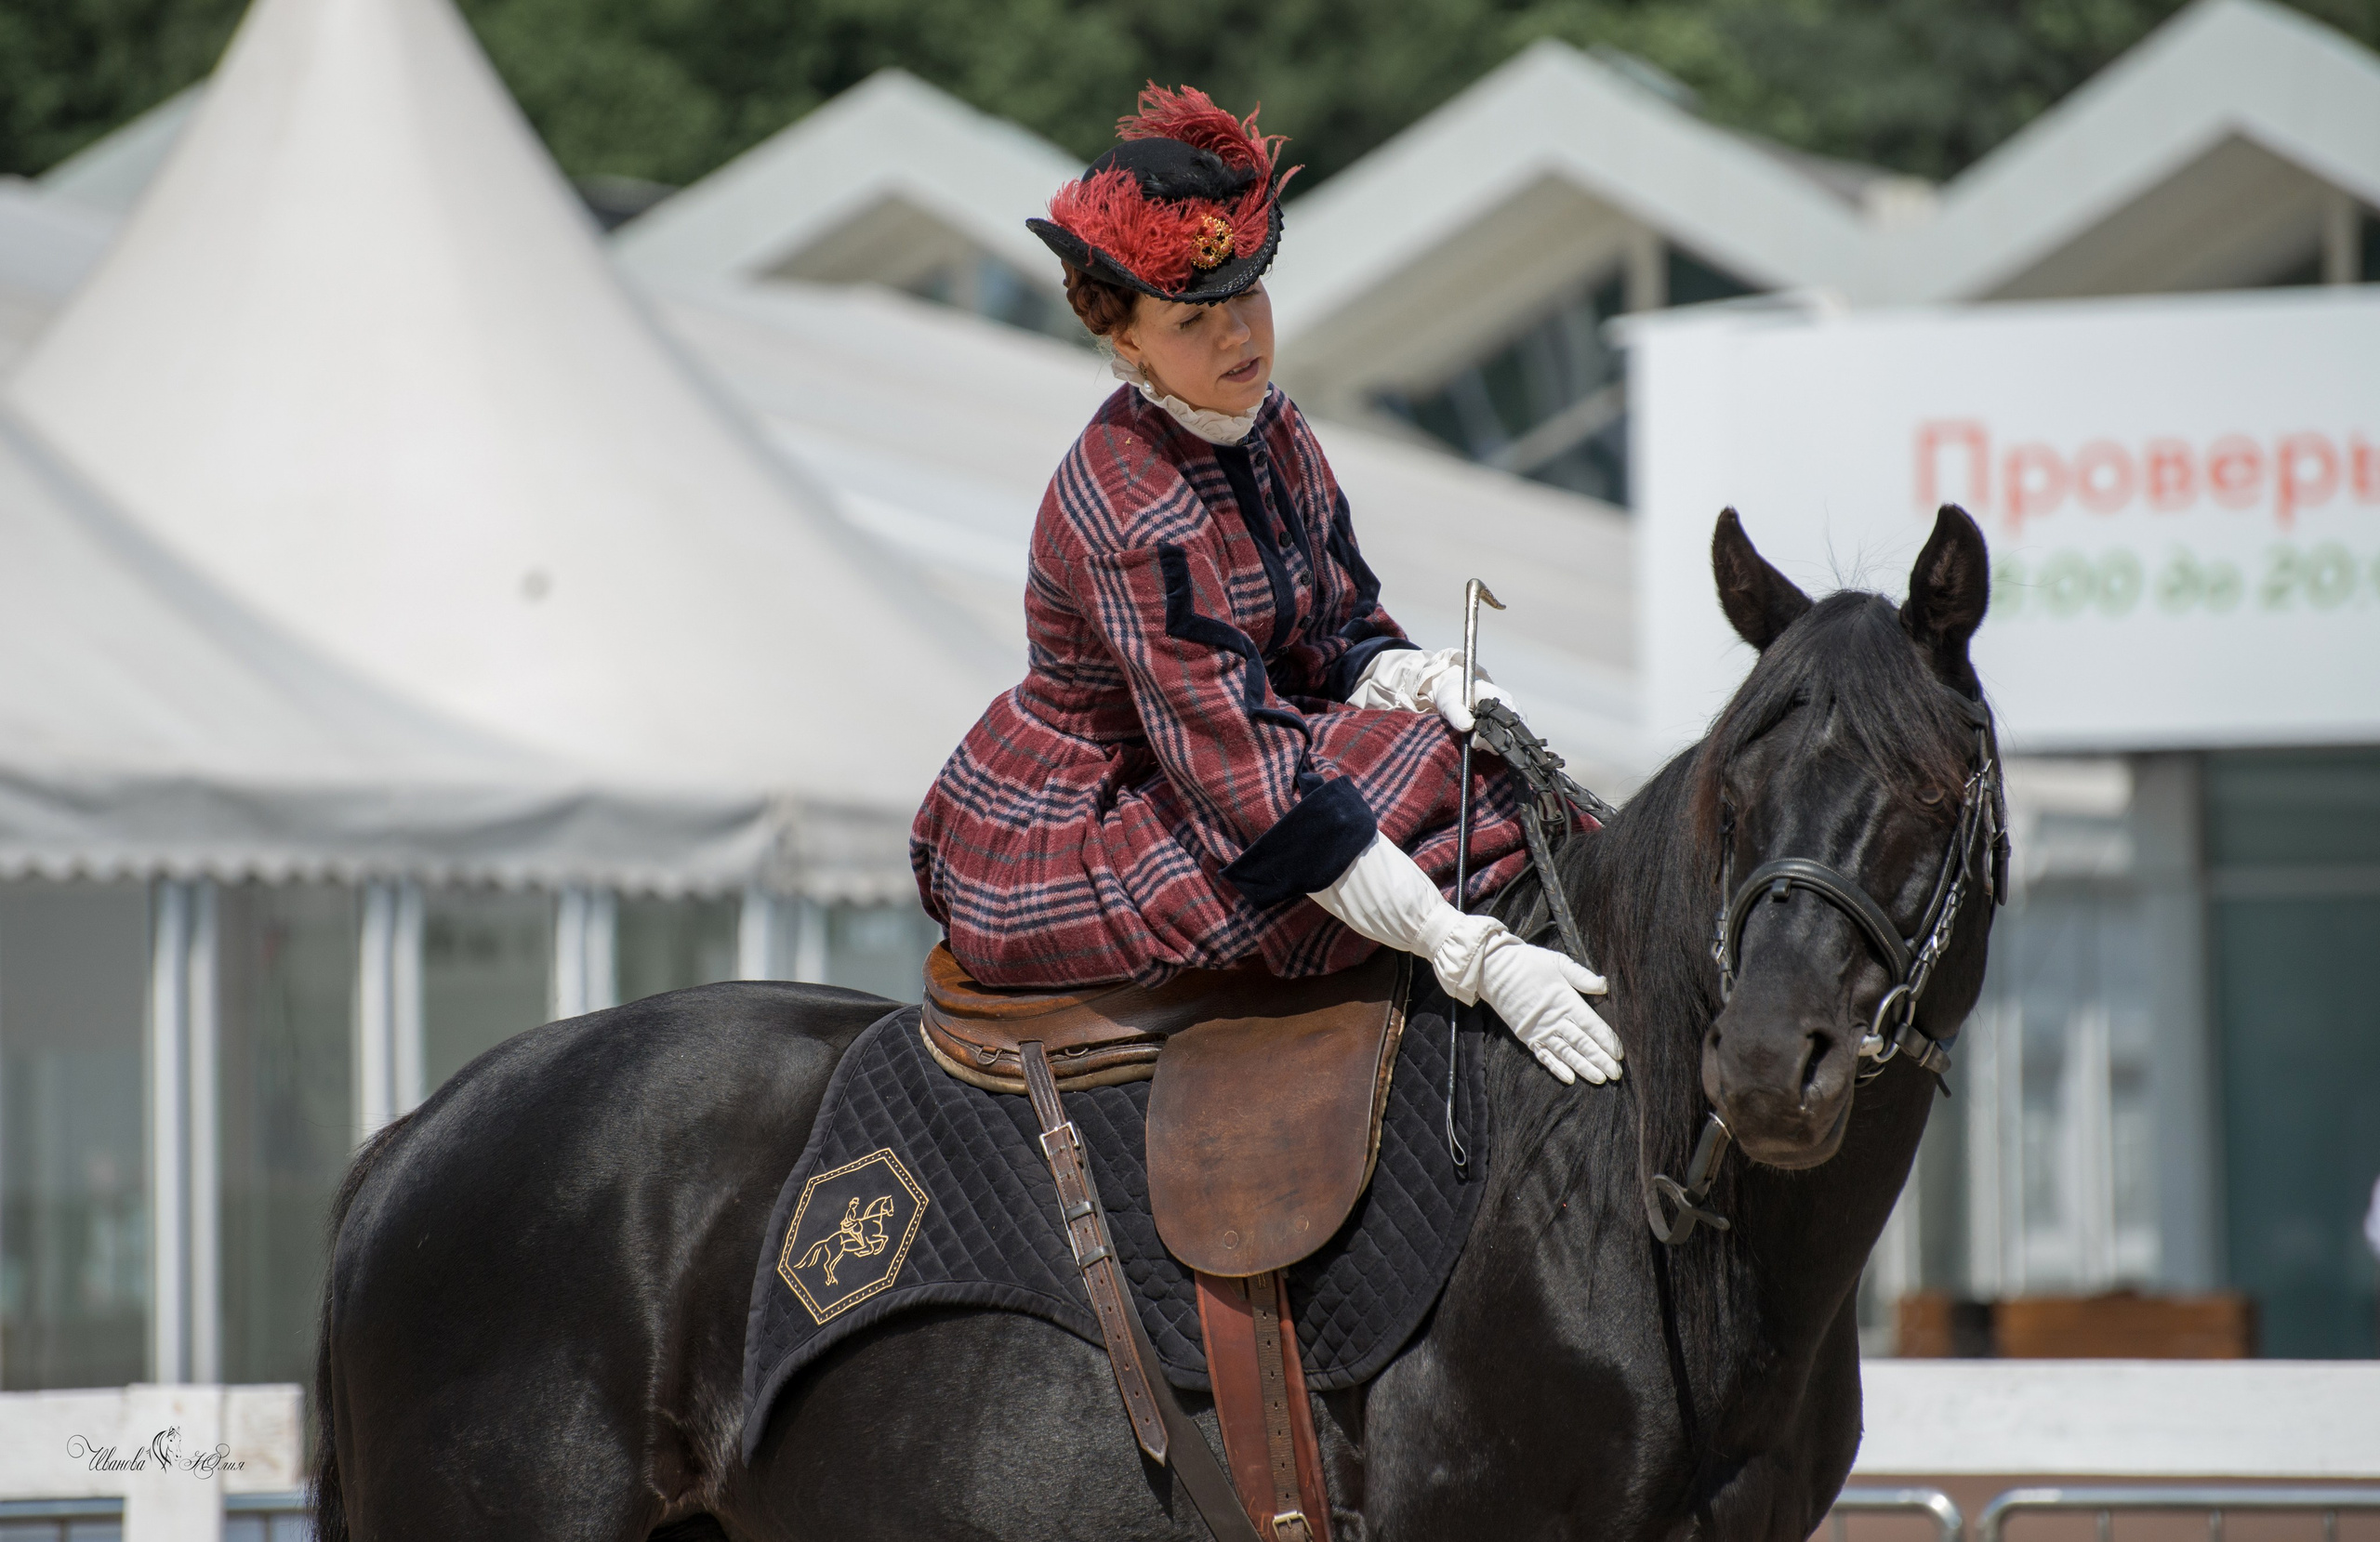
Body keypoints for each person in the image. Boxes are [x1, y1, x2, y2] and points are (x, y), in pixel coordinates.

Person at [909, 86, 1620, 1087]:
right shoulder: (1124, 504)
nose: (1239, 333)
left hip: (1230, 764)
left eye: (1249, 294)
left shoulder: (1272, 424)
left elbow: (1337, 632)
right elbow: (1259, 793)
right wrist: (1472, 956)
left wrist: (1424, 679)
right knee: (1428, 787)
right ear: (1124, 341)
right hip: (1075, 826)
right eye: (1195, 317)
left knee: (1471, 761)